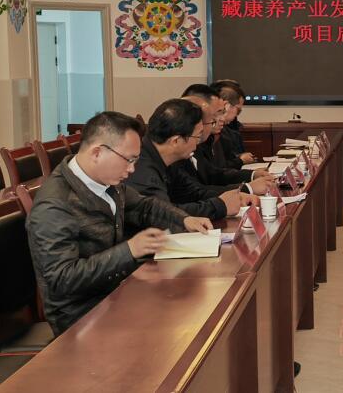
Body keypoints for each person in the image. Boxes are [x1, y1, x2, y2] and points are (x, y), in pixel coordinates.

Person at [26, 111, 213, 335]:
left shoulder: (106, 181)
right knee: (177, 322)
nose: (132, 169)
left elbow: (144, 206)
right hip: (81, 317)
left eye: (136, 160)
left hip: (116, 292)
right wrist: (129, 251)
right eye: (129, 160)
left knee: (190, 303)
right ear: (97, 153)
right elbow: (61, 279)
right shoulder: (55, 205)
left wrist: (184, 219)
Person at [126, 98, 255, 221]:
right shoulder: (141, 169)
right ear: (176, 141)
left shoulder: (167, 159)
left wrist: (234, 197)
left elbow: (192, 192)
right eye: (197, 137)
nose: (197, 144)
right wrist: (219, 206)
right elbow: (164, 215)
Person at [182, 84, 268, 187]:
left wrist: (253, 175)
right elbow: (195, 192)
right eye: (217, 113)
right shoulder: (182, 148)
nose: (221, 118)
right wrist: (248, 188)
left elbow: (213, 174)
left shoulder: (205, 140)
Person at [212, 79, 255, 165]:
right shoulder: (211, 131)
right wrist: (240, 160)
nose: (236, 115)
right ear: (226, 105)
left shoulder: (227, 129)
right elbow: (218, 168)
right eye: (238, 110)